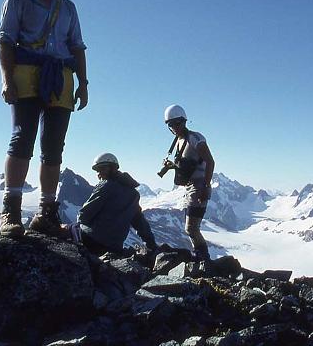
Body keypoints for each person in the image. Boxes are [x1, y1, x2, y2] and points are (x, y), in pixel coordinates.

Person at [0, 0, 89, 237]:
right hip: (26, 73)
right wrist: (6, 79)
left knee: (53, 145)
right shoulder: (17, 0)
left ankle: (46, 213)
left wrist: (84, 83)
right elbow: (6, 42)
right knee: (22, 136)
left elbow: (77, 46)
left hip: (61, 76)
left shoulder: (68, 7)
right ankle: (10, 211)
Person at [67, 153, 157, 255]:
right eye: (98, 170)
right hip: (115, 246)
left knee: (67, 229)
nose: (99, 173)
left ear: (113, 168)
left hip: (91, 241)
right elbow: (140, 224)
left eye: (102, 169)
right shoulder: (133, 194)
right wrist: (151, 245)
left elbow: (83, 216)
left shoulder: (106, 186)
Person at [161, 104, 215, 261]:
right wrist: (172, 166)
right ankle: (201, 257)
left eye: (177, 123)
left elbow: (210, 162)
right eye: (170, 125)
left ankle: (203, 258)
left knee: (191, 228)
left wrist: (205, 186)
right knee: (191, 227)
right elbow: (187, 165)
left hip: (199, 187)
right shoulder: (178, 141)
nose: (174, 127)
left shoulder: (194, 138)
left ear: (184, 121)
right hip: (190, 187)